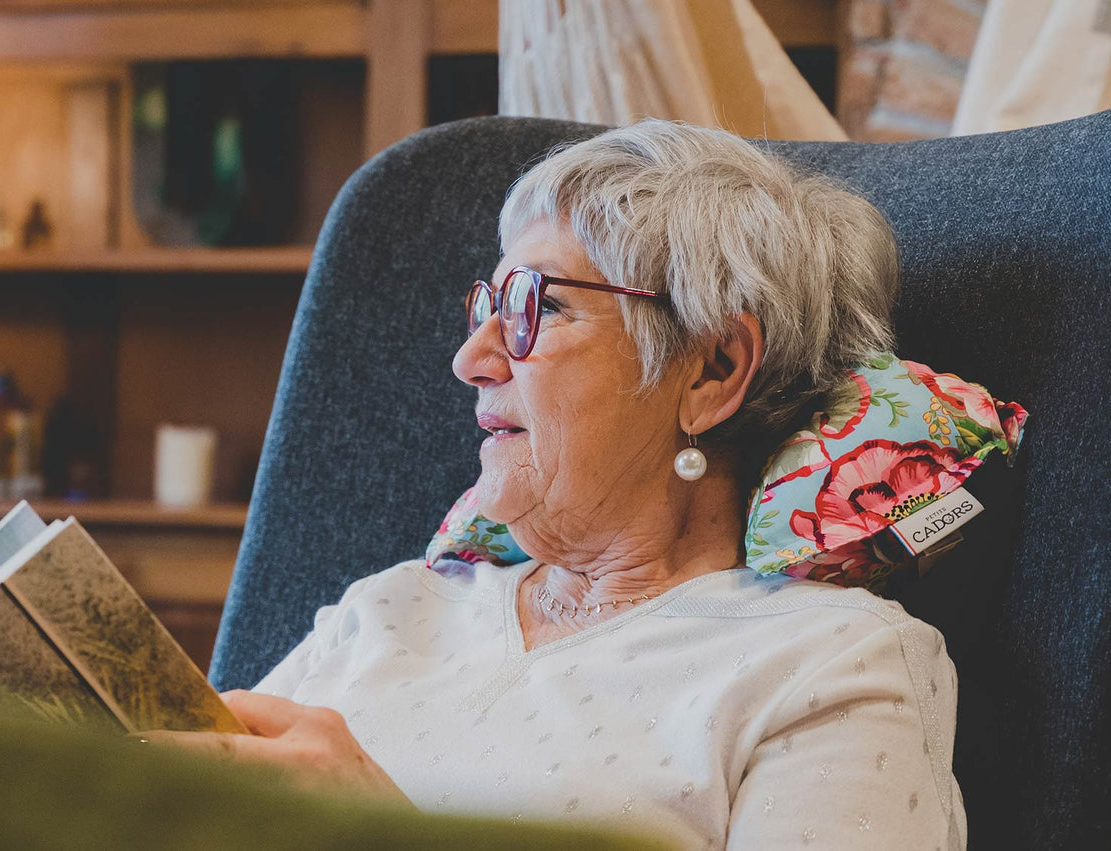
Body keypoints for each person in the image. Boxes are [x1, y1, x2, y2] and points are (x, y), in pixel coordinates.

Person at [150, 120, 966, 850]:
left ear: (713, 370)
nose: (471, 358)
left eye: (536, 307)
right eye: (486, 306)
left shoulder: (825, 666)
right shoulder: (391, 609)